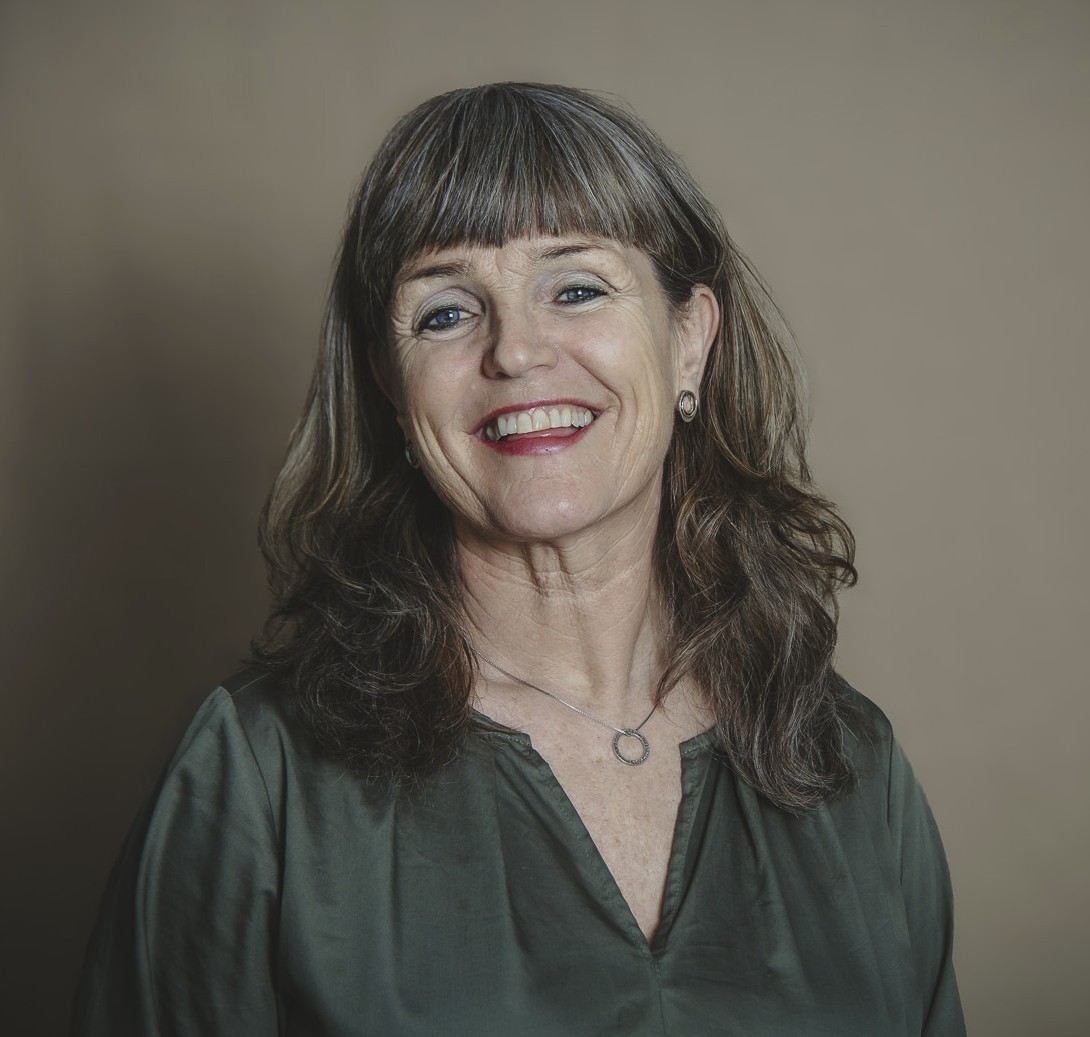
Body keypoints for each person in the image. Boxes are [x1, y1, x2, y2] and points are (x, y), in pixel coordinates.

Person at [72, 83, 965, 1036]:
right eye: (445, 313)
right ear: (390, 387)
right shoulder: (258, 773)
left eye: (575, 289)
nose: (517, 352)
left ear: (689, 339)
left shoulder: (850, 760)